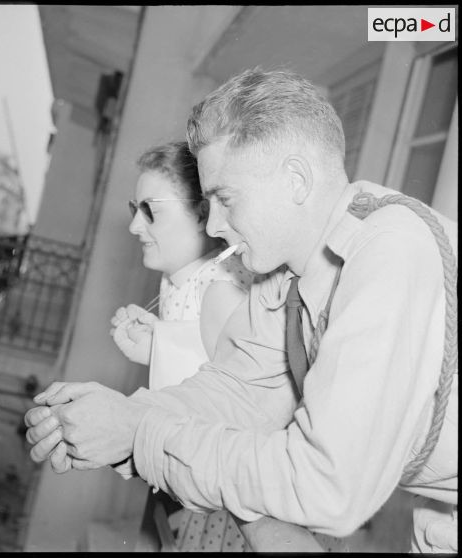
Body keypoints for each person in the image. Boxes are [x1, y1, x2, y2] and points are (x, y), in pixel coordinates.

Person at [24, 68, 458, 553]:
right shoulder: (286, 275)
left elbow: (325, 486)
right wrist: (118, 418)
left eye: (224, 199)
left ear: (295, 179)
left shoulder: (387, 252)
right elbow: (237, 391)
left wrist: (138, 433)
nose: (213, 225)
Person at [109, 141, 259, 551]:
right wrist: (155, 347)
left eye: (150, 211)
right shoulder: (182, 281)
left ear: (200, 213)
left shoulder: (223, 287)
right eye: (133, 209)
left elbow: (241, 406)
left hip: (246, 507)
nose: (135, 227)